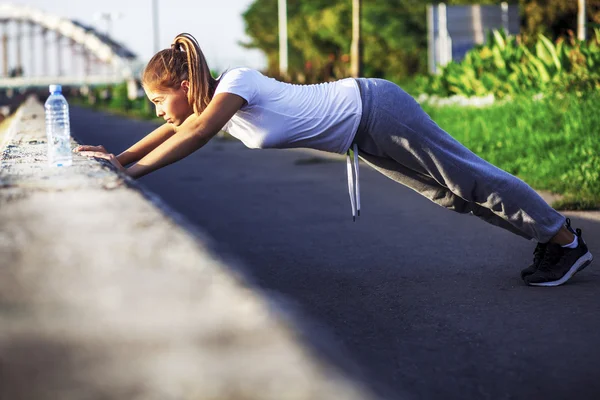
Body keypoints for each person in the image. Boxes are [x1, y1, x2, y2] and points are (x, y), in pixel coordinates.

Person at [75, 33, 593, 287]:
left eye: (159, 99)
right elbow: (178, 127)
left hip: (375, 107)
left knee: (470, 179)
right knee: (453, 197)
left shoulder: (233, 88)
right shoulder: (210, 105)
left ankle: (563, 238)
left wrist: (132, 174)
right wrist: (119, 159)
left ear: (185, 86)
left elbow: (195, 133)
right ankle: (549, 240)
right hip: (364, 134)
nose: (158, 110)